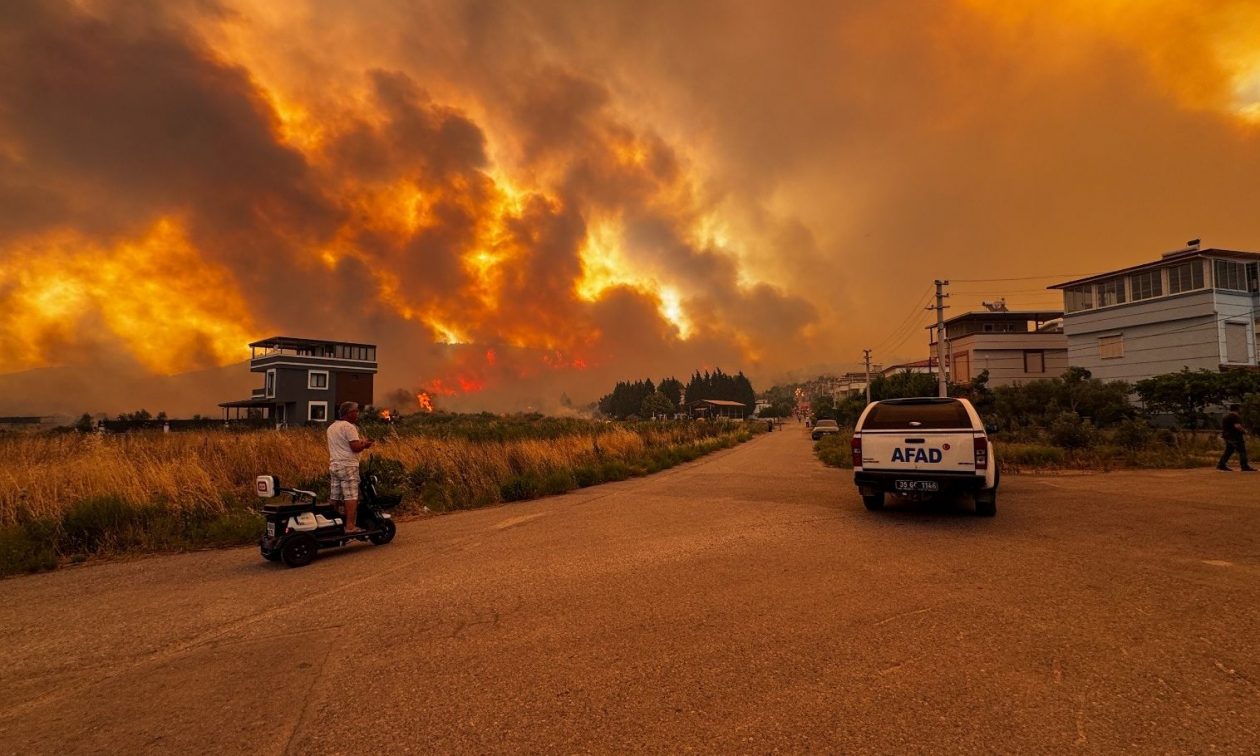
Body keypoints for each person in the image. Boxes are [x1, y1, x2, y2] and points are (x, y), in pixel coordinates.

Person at [328, 401, 374, 532]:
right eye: (356, 411)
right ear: (349, 413)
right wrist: (365, 444)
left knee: (335, 496)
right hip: (348, 466)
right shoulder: (349, 427)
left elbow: (344, 444)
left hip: (334, 465)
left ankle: (332, 524)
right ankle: (350, 526)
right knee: (351, 496)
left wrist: (360, 442)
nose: (358, 413)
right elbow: (355, 448)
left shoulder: (331, 427)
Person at [1217, 404, 1254, 472]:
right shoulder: (1235, 417)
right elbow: (1237, 426)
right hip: (1235, 436)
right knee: (1242, 451)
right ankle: (1244, 466)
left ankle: (1221, 464)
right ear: (1237, 409)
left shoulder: (1226, 417)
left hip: (1227, 436)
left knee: (1229, 451)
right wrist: (1244, 431)